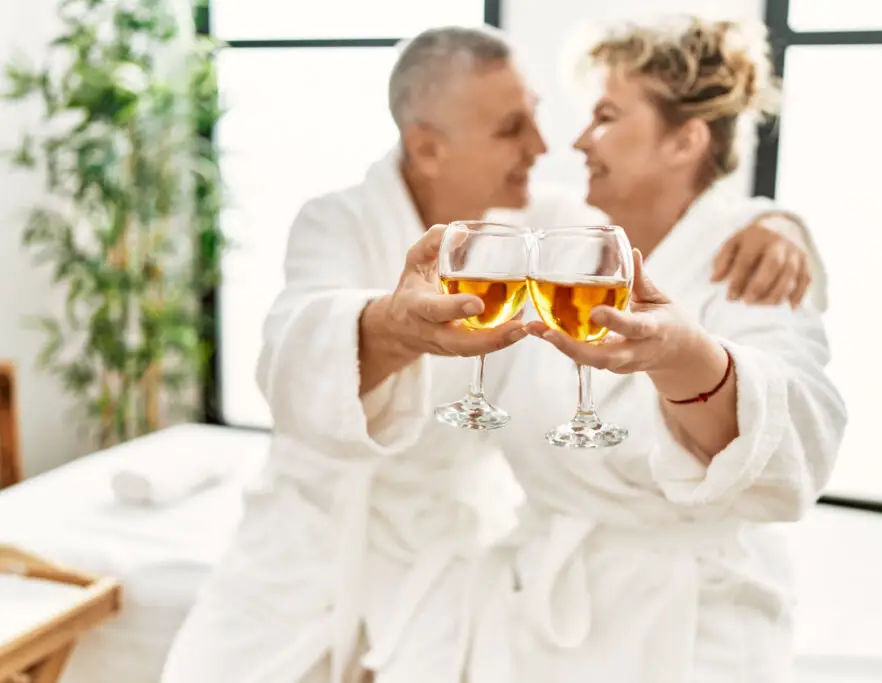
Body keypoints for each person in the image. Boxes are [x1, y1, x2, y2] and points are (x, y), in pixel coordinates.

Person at [161, 24, 826, 683]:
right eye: (512, 129)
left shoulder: (562, 235)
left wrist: (775, 226)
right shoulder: (353, 224)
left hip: (494, 558)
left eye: (593, 116)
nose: (549, 145)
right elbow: (291, 346)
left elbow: (682, 229)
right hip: (316, 539)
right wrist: (393, 326)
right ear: (427, 148)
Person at [458, 17, 846, 682]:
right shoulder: (562, 237)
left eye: (606, 116)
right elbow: (466, 223)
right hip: (537, 623)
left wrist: (684, 358)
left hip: (688, 630)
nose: (579, 141)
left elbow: (798, 443)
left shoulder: (748, 262)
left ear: (686, 140)